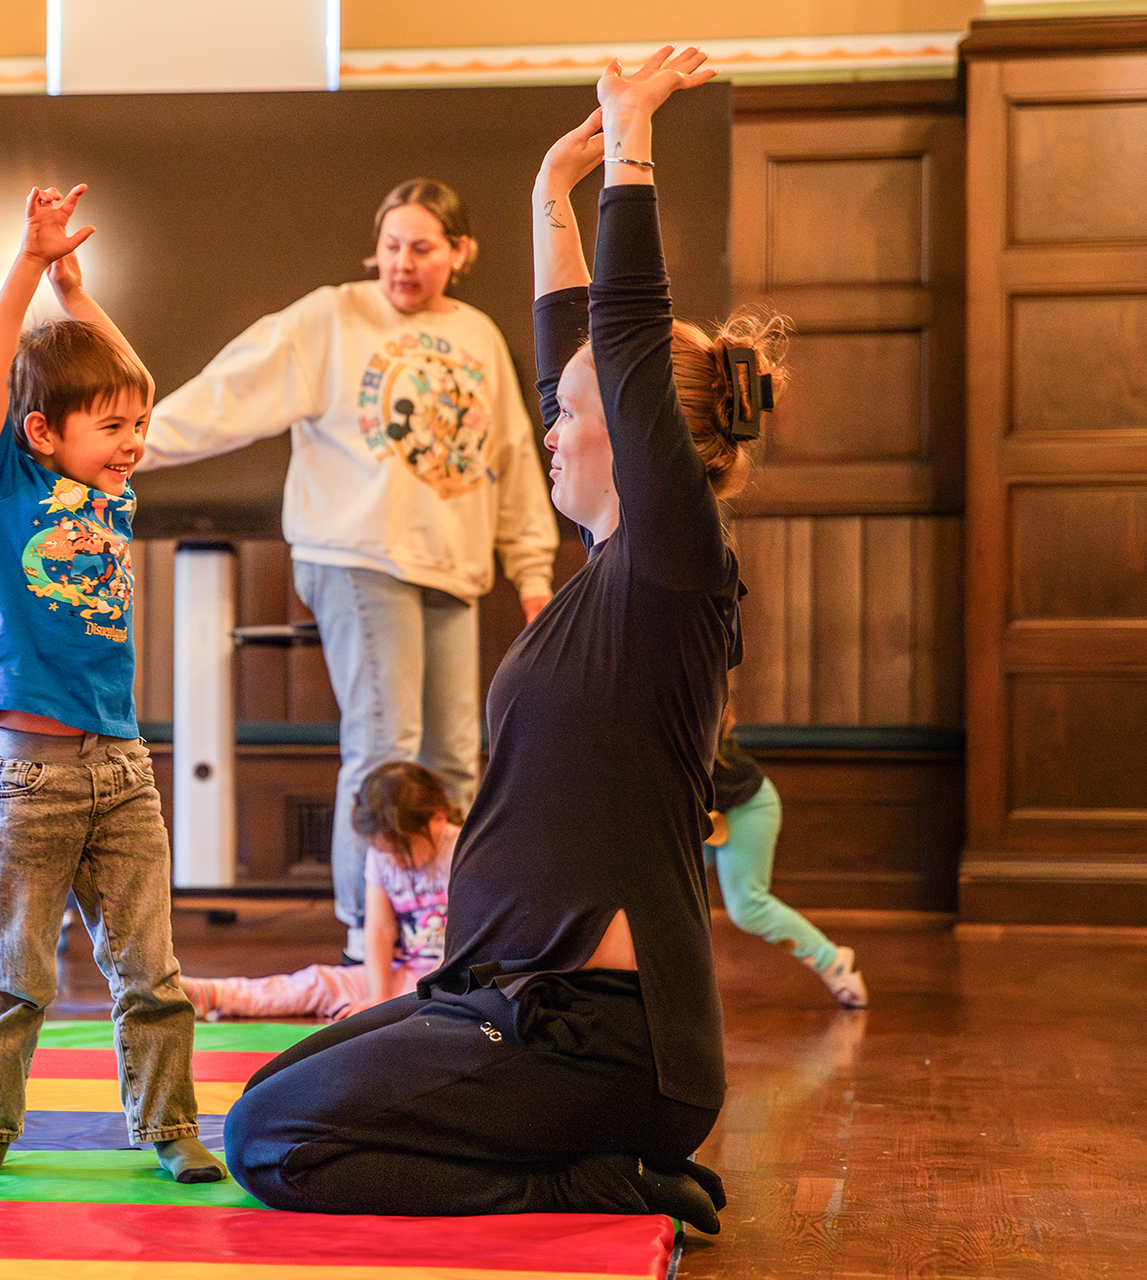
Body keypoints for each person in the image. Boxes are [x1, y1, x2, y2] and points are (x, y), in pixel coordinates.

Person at [222, 49, 781, 1231]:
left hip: (601, 1038)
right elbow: (578, 350)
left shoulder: (675, 573)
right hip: (501, 994)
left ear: (633, 443)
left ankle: (594, 1183)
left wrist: (631, 139)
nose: (550, 424)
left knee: (273, 1140)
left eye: (570, 414)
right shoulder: (610, 576)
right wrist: (546, 195)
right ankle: (578, 1162)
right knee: (275, 1090)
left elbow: (620, 348)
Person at [141, 179, 559, 962]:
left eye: (423, 248)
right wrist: (138, 445)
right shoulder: (333, 316)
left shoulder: (476, 334)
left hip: (453, 567)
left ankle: (447, 926)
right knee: (384, 742)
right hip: (355, 555)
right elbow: (231, 393)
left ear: (460, 255)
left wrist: (532, 572)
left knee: (454, 757)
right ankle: (362, 932)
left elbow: (509, 461)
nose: (402, 263)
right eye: (392, 245)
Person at [0, 182, 220, 1186]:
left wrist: (79, 293)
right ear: (44, 430)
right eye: (114, 426)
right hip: (34, 777)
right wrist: (27, 265)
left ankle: (169, 1124)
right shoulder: (0, 488)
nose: (134, 440)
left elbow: (130, 375)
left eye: (139, 426)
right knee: (16, 971)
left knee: (152, 972)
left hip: (123, 770)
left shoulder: (114, 491)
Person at [182, 762, 458, 1022]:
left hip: (450, 981)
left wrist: (391, 1000)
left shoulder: (462, 848)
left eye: (400, 850)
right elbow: (379, 930)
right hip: (403, 975)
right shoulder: (380, 856)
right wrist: (379, 996)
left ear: (437, 818)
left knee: (425, 1000)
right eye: (385, 852)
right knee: (320, 982)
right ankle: (218, 995)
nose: (393, 861)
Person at [707, 706, 868, 1008]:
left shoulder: (684, 716)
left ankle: (834, 962)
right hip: (712, 811)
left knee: (748, 906)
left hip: (748, 806)